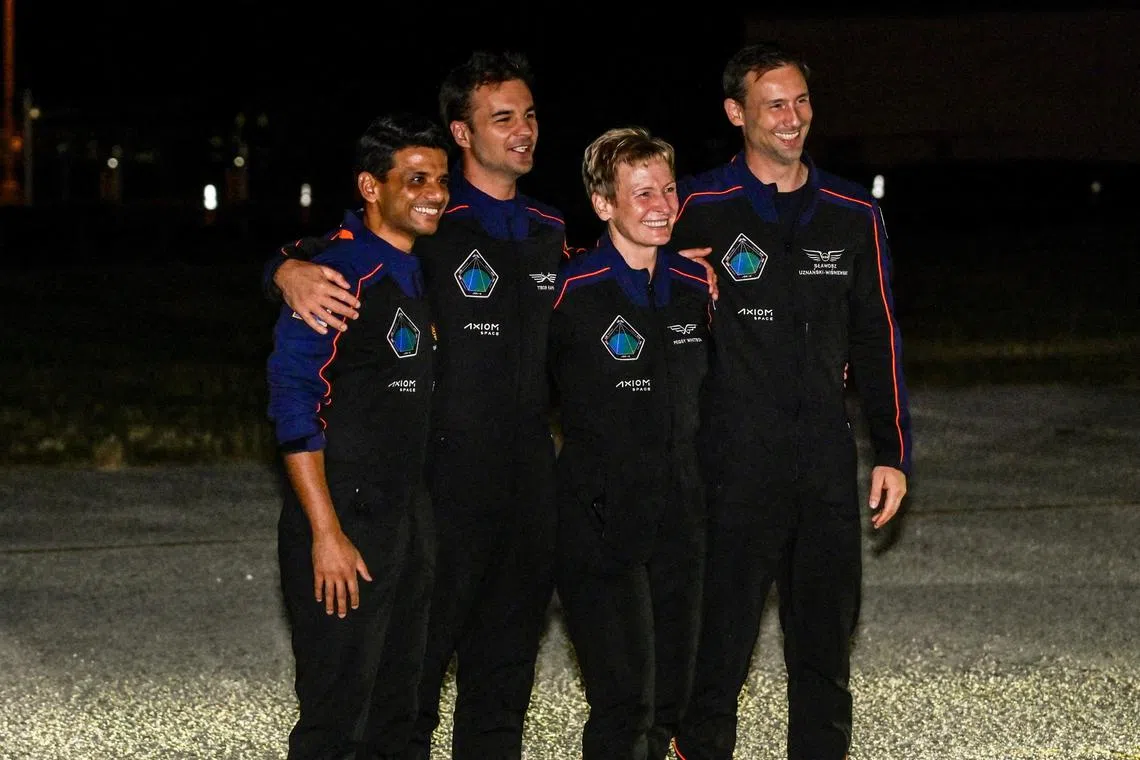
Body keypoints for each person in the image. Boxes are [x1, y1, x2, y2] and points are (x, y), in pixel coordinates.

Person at [264, 51, 570, 760]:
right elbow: (319, 266)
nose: (523, 130)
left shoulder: (550, 227)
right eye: (503, 117)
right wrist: (282, 270)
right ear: (463, 132)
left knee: (498, 678)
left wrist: (681, 269)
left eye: (529, 115)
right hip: (437, 485)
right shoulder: (427, 219)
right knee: (386, 694)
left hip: (520, 484)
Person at [668, 41, 913, 760]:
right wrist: (660, 269)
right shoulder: (696, 204)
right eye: (774, 103)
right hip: (730, 461)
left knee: (824, 647)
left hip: (822, 463)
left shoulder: (850, 212)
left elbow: (879, 335)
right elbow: (600, 278)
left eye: (801, 100)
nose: (792, 117)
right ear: (735, 112)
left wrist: (892, 450)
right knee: (719, 643)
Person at [266, 112, 450, 760]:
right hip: (345, 522)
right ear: (372, 187)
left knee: (400, 714)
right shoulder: (335, 276)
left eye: (440, 179)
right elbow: (294, 404)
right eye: (416, 179)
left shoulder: (413, 269)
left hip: (405, 517)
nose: (434, 193)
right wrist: (325, 533)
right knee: (335, 720)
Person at [549, 126, 711, 760]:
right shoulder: (572, 292)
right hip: (600, 524)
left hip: (681, 521)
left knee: (670, 701)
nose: (662, 206)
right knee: (625, 702)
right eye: (641, 193)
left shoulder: (696, 289)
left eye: (668, 190)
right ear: (603, 204)